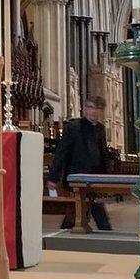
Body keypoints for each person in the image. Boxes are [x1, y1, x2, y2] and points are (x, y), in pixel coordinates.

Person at [46, 95, 112, 231]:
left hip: (95, 178)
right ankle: (106, 232)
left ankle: (65, 231)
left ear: (101, 111)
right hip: (76, 177)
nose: (94, 111)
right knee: (86, 208)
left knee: (80, 210)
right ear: (85, 109)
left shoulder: (100, 128)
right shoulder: (74, 126)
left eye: (98, 108)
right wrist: (53, 177)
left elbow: (103, 153)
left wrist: (107, 177)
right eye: (91, 107)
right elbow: (61, 152)